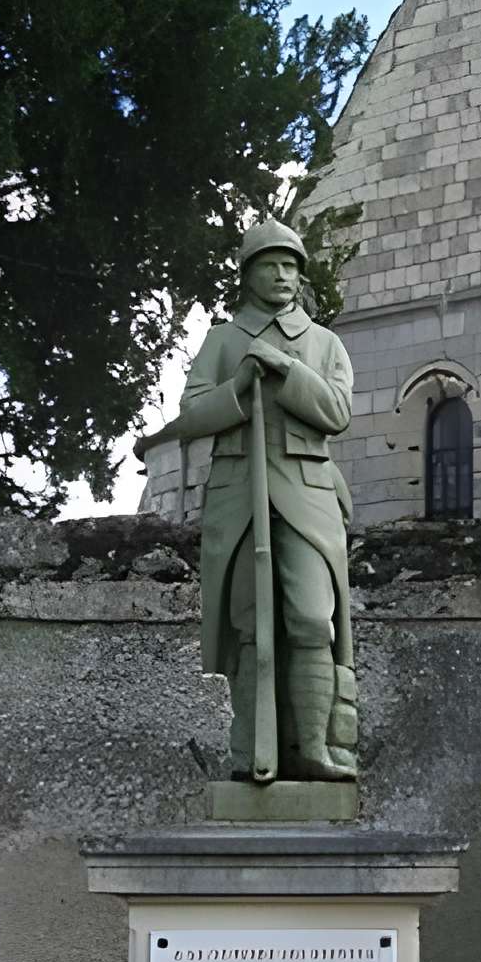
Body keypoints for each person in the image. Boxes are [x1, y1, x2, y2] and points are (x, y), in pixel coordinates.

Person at [146, 218, 356, 782]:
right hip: (240, 497)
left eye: (291, 265)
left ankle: (314, 750)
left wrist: (286, 368)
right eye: (271, 264)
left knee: (314, 619)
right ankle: (250, 755)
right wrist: (239, 383)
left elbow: (336, 412)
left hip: (308, 495)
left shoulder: (325, 343)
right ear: (249, 275)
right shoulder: (222, 339)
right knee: (250, 627)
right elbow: (191, 417)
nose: (283, 275)